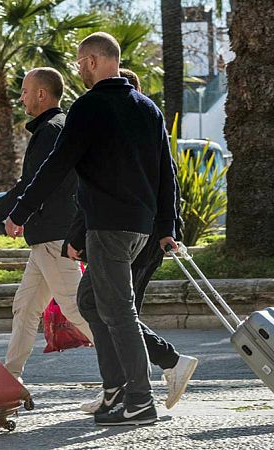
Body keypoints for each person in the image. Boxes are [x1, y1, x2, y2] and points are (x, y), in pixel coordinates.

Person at [5, 32, 179, 426]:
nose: (79, 69)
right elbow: (166, 173)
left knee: (119, 311)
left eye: (82, 62)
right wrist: (167, 226)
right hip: (138, 228)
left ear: (96, 62)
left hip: (109, 227)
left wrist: (21, 211)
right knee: (88, 302)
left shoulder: (88, 107)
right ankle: (116, 391)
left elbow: (57, 166)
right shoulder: (147, 108)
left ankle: (140, 400)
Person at [71, 68, 198, 414]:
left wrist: (167, 228)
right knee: (100, 303)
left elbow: (156, 182)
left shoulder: (132, 124)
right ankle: (121, 386)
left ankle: (143, 386)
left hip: (137, 235)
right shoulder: (141, 121)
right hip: (143, 232)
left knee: (117, 310)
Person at [0, 67, 92, 382]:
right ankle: (10, 376)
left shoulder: (51, 130)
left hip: (54, 237)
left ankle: (135, 371)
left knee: (80, 311)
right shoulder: (61, 127)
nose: (20, 98)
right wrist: (22, 215)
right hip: (47, 237)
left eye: (25, 92)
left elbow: (33, 185)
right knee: (25, 307)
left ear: (41, 94)